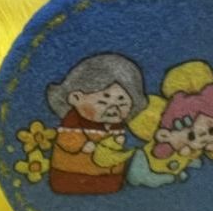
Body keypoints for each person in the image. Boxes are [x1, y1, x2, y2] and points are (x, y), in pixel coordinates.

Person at [45, 53, 145, 194]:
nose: (113, 109)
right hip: (71, 175)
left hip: (109, 179)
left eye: (122, 103)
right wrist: (81, 145)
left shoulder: (116, 125)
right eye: (103, 102)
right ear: (76, 98)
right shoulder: (72, 122)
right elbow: (66, 140)